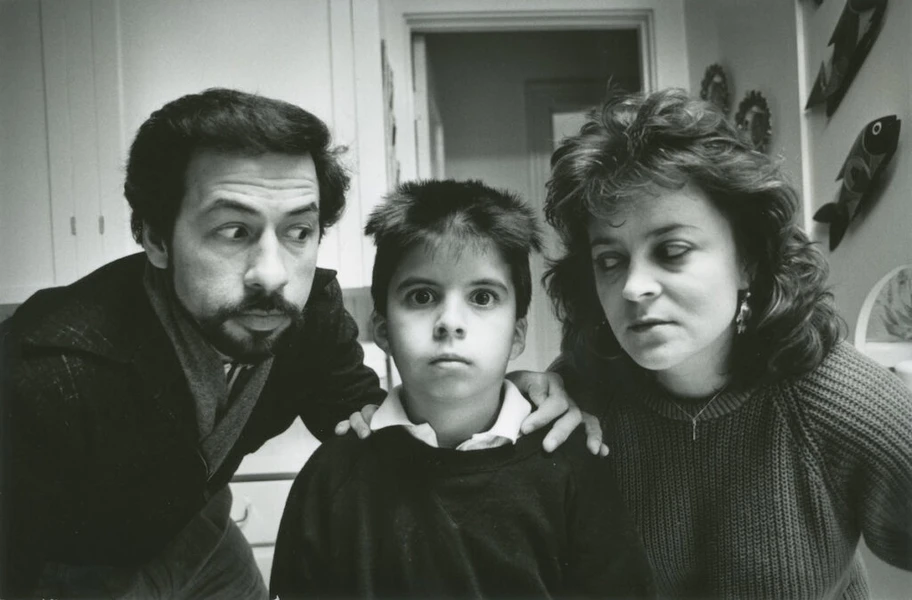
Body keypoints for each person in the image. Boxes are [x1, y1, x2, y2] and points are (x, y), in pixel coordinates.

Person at [0, 88, 592, 599]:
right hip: (71, 565)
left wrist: (505, 394)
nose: (273, 274)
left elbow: (366, 414)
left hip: (200, 536)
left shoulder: (310, 318)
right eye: (234, 231)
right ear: (156, 237)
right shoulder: (43, 378)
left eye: (298, 231)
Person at [542, 86, 912, 598]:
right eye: (610, 260)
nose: (632, 287)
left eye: (672, 250)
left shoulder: (839, 399)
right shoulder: (580, 397)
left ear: (748, 261)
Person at [269, 179, 654, 599]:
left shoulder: (570, 465)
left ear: (517, 334)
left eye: (483, 298)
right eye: (421, 296)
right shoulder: (331, 478)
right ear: (382, 329)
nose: (450, 322)